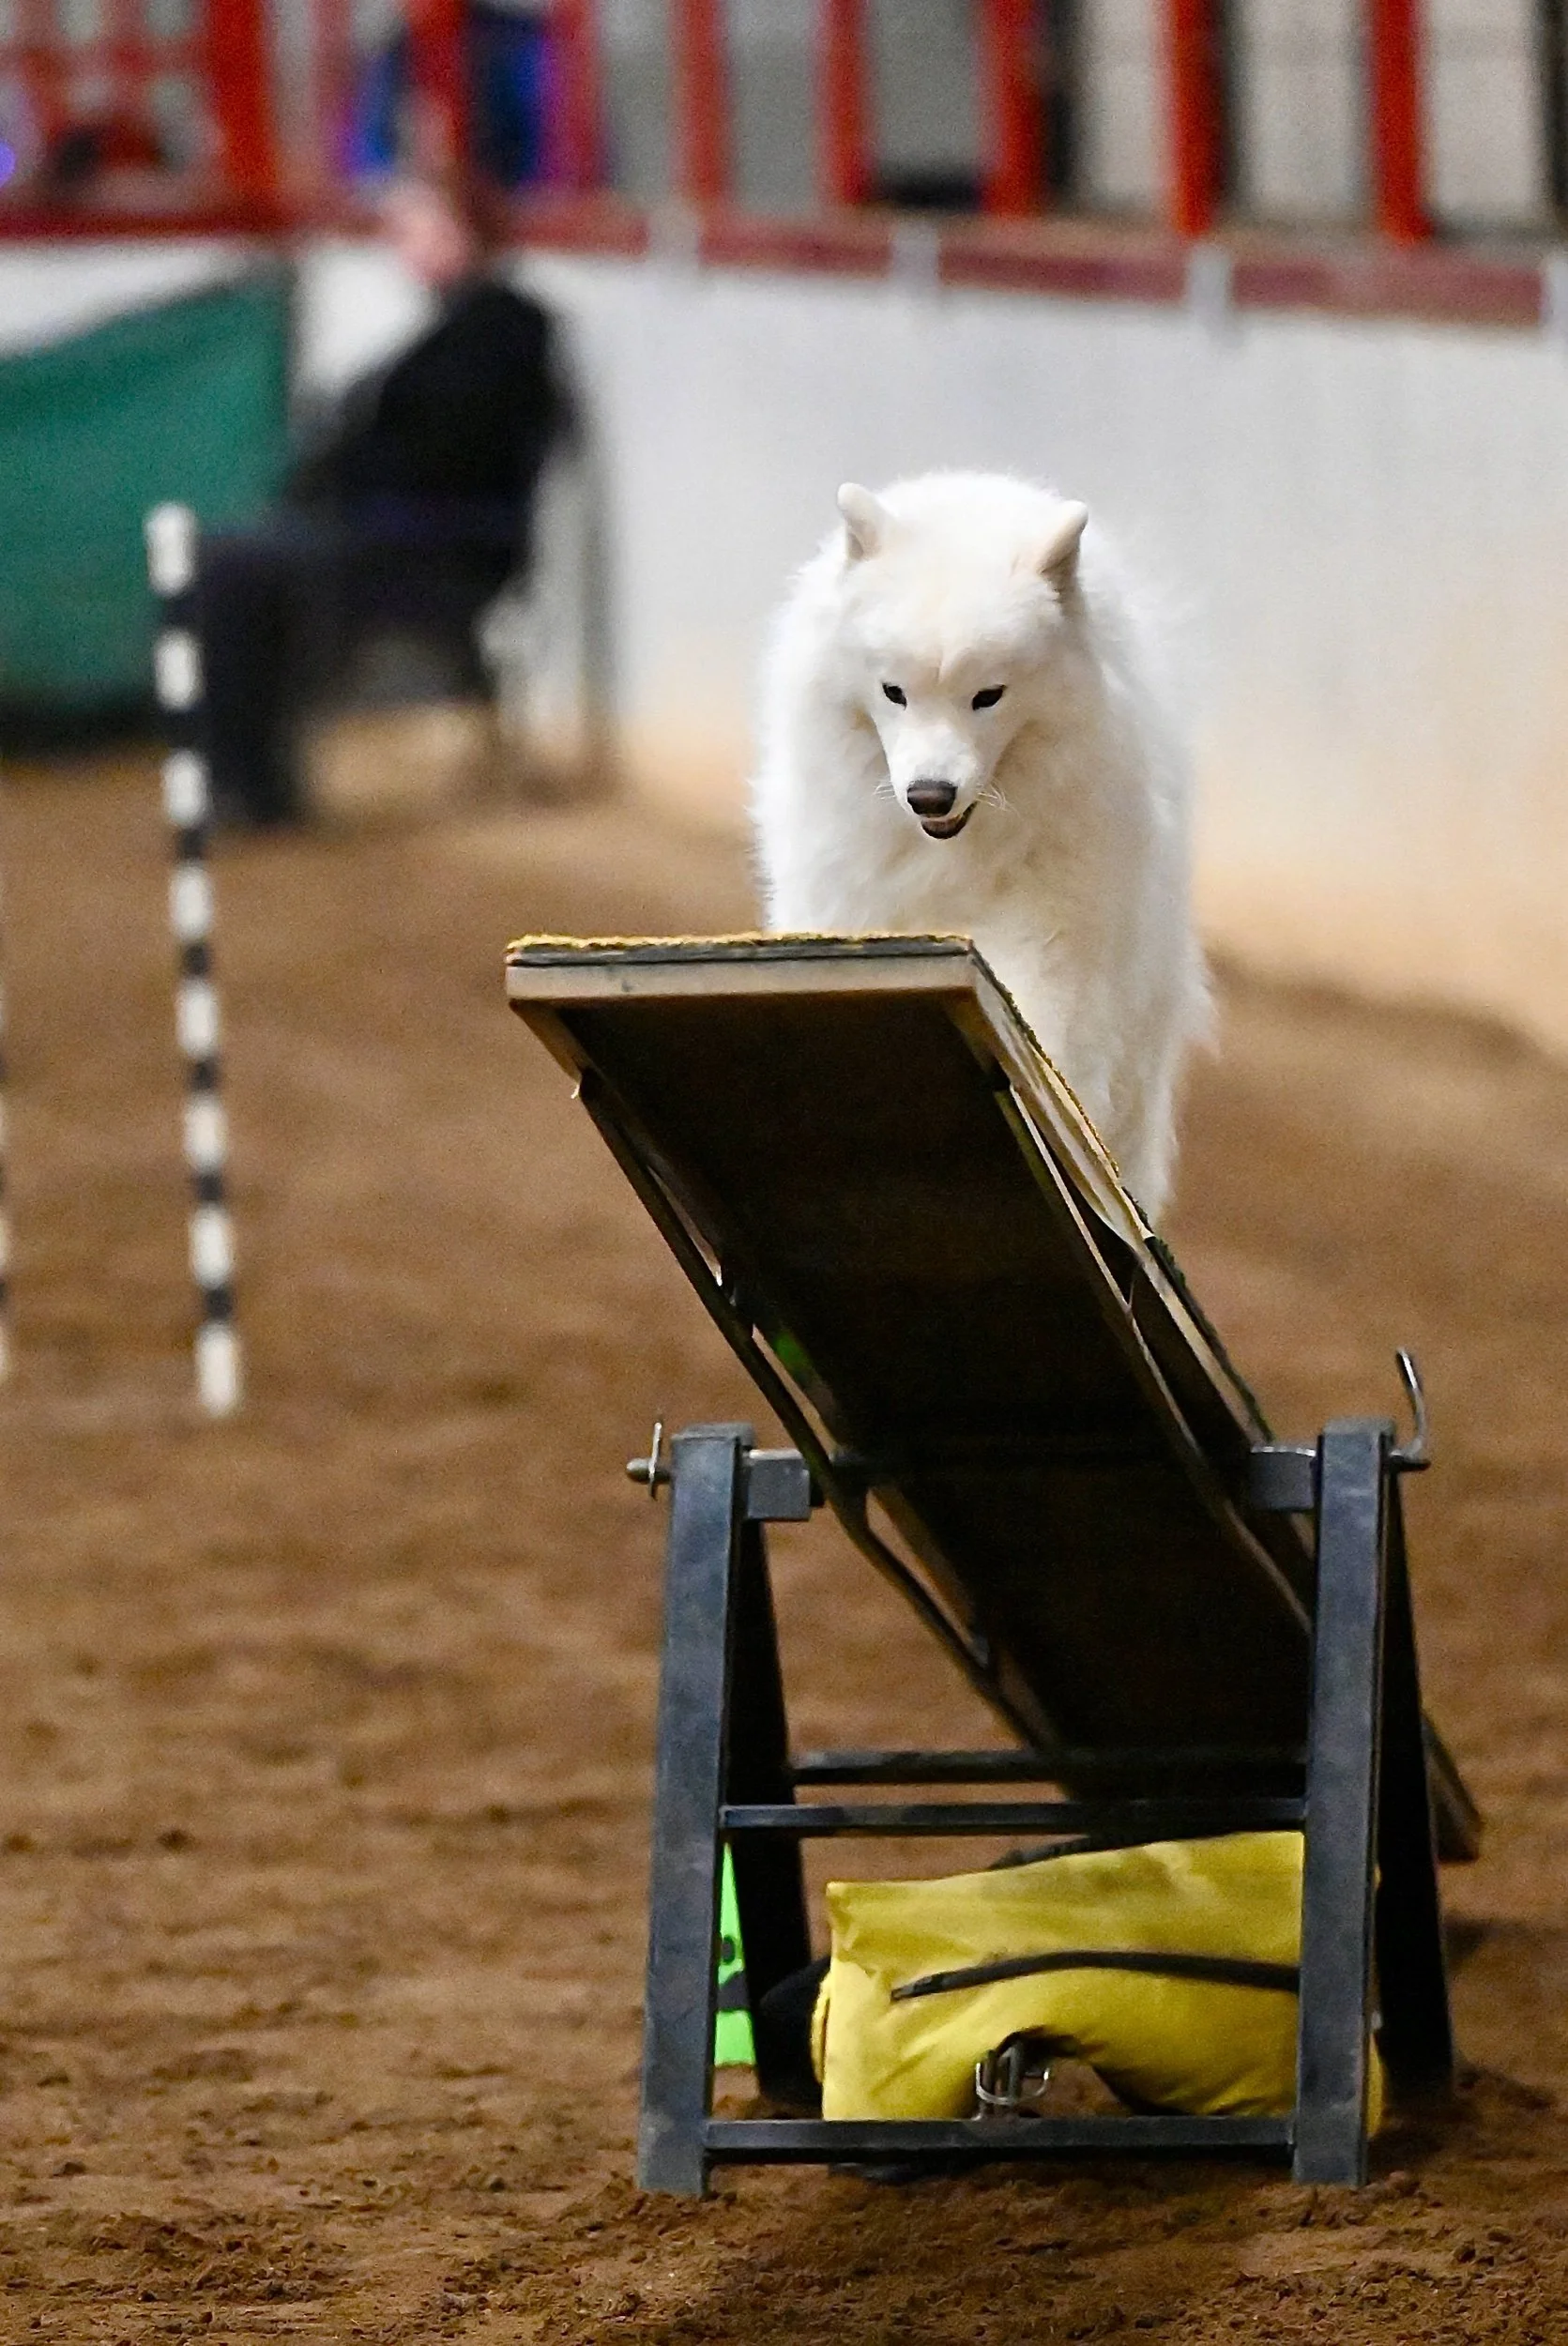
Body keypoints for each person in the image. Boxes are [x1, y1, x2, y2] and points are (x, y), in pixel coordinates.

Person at [195, 169, 572, 824]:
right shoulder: (453, 327)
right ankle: (248, 778)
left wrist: (346, 473)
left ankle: (251, 786)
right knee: (231, 560)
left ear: (464, 234)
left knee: (234, 571)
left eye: (419, 227)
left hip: (435, 546)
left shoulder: (504, 329)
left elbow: (448, 456)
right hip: (388, 531)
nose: (403, 245)